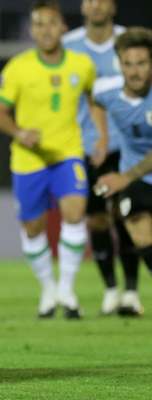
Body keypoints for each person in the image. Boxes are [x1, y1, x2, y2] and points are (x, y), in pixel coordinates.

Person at [0, 0, 106, 319]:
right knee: (33, 230)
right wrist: (19, 132)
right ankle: (49, 290)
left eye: (52, 22)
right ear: (32, 31)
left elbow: (95, 101)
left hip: (68, 155)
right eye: (39, 24)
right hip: (29, 160)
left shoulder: (81, 66)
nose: (46, 29)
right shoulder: (18, 68)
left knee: (75, 212)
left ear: (63, 28)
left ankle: (67, 290)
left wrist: (102, 136)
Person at [62, 0, 140, 316]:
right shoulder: (68, 45)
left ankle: (132, 293)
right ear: (83, 6)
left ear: (112, 6)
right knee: (96, 219)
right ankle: (111, 290)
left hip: (128, 146)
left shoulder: (130, 43)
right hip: (83, 147)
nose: (96, 5)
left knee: (129, 217)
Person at [93, 27, 152, 303]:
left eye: (142, 63)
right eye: (128, 64)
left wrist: (124, 178)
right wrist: (102, 136)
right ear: (119, 64)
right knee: (141, 235)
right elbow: (92, 98)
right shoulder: (106, 90)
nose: (135, 71)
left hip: (132, 173)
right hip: (138, 177)